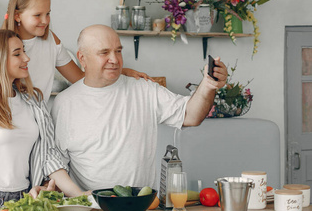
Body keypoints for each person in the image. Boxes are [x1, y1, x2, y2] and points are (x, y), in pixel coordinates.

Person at [0, 0, 150, 130]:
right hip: (2, 126)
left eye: (48, 13)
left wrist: (120, 72)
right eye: (37, 15)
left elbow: (80, 79)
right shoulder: (1, 45)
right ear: (17, 16)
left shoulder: (50, 40)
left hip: (36, 124)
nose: (45, 20)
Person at [51, 24, 228, 192]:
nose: (114, 59)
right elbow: (57, 164)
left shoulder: (144, 88)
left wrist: (207, 86)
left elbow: (191, 115)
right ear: (82, 58)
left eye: (118, 51)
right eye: (104, 52)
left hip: (141, 209)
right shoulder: (64, 103)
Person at [0, 29, 85, 206]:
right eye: (17, 54)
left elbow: (49, 156)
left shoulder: (34, 100)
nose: (26, 58)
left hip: (25, 199)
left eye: (24, 51)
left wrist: (80, 196)